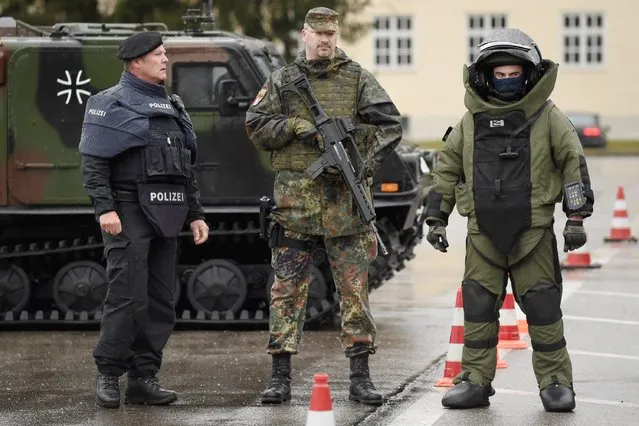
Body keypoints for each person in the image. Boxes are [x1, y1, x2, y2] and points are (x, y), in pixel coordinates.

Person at [424, 28, 594, 412]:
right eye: (498, 74)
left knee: (543, 308)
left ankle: (555, 383)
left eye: (512, 72)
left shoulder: (549, 118)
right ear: (486, 76)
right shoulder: (469, 123)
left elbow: (572, 165)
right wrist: (436, 218)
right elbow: (446, 171)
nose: (506, 80)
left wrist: (577, 217)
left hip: (533, 233)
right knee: (479, 308)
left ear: (528, 73)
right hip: (482, 233)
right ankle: (474, 380)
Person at [245, 7, 403, 406]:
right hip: (295, 209)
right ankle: (280, 375)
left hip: (346, 208)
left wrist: (358, 162)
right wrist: (297, 127)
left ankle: (360, 377)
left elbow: (389, 126)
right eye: (318, 33)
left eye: (331, 33)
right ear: (304, 35)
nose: (325, 40)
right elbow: (256, 126)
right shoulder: (283, 81)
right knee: (286, 291)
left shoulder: (356, 79)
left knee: (354, 293)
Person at [79, 31, 209, 409]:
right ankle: (108, 374)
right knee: (126, 296)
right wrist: (105, 208)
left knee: (160, 300)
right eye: (159, 55)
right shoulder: (109, 103)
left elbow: (184, 167)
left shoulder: (173, 106)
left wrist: (196, 214)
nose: (166, 59)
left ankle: (143, 378)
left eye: (165, 53)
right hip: (128, 211)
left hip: (168, 213)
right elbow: (94, 162)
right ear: (136, 62)